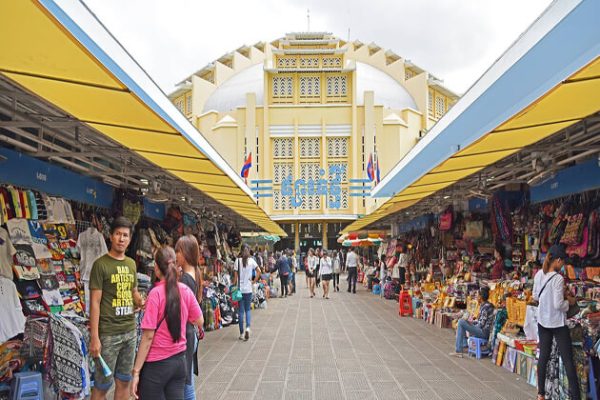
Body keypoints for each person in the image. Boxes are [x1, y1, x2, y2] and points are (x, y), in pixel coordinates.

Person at [131, 247, 203, 400]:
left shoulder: (155, 294)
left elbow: (148, 337)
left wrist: (136, 371)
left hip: (156, 366)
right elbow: (199, 320)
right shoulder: (185, 290)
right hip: (179, 362)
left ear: (156, 268)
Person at [89, 217, 144, 400]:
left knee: (124, 382)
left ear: (129, 240)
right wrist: (95, 338)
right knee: (102, 385)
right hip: (108, 335)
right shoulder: (100, 265)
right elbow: (95, 302)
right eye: (118, 234)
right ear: (111, 236)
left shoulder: (131, 264)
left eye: (125, 235)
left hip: (129, 331)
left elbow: (134, 291)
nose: (121, 239)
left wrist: (140, 301)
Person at [533, 245, 580, 400]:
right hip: (557, 323)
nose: (563, 265)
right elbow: (558, 305)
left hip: (543, 321)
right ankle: (576, 397)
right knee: (568, 361)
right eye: (563, 262)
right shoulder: (558, 278)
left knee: (543, 357)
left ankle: (541, 394)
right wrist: (570, 303)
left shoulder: (539, 274)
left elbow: (535, 297)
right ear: (558, 260)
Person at [175, 235, 203, 400]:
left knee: (186, 385)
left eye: (178, 251)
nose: (176, 254)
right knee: (188, 382)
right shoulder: (195, 273)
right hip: (191, 334)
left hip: (186, 335)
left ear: (186, 253)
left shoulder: (185, 279)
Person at [449, 287, 494, 358]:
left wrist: (471, 325)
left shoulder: (486, 307)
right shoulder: (485, 305)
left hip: (483, 332)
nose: (476, 296)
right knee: (462, 322)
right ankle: (463, 346)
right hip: (483, 330)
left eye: (477, 295)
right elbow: (481, 321)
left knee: (461, 322)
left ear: (481, 297)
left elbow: (481, 324)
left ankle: (459, 350)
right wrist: (471, 323)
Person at [234, 244, 261, 340]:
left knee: (240, 311)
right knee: (248, 310)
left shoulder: (237, 261)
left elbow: (235, 278)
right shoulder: (252, 261)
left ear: (241, 251)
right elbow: (259, 271)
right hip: (248, 289)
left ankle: (241, 333)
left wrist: (233, 285)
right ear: (248, 251)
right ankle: (248, 328)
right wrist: (253, 281)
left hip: (239, 290)